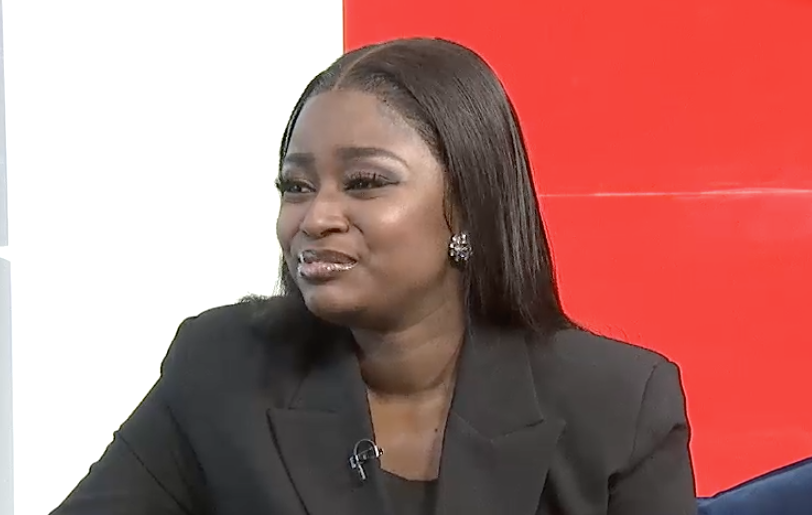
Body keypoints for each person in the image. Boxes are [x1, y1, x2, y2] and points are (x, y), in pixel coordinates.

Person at [52, 37, 697, 515]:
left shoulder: (619, 404)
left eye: (365, 182)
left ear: (465, 207)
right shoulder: (220, 367)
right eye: (296, 186)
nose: (316, 218)